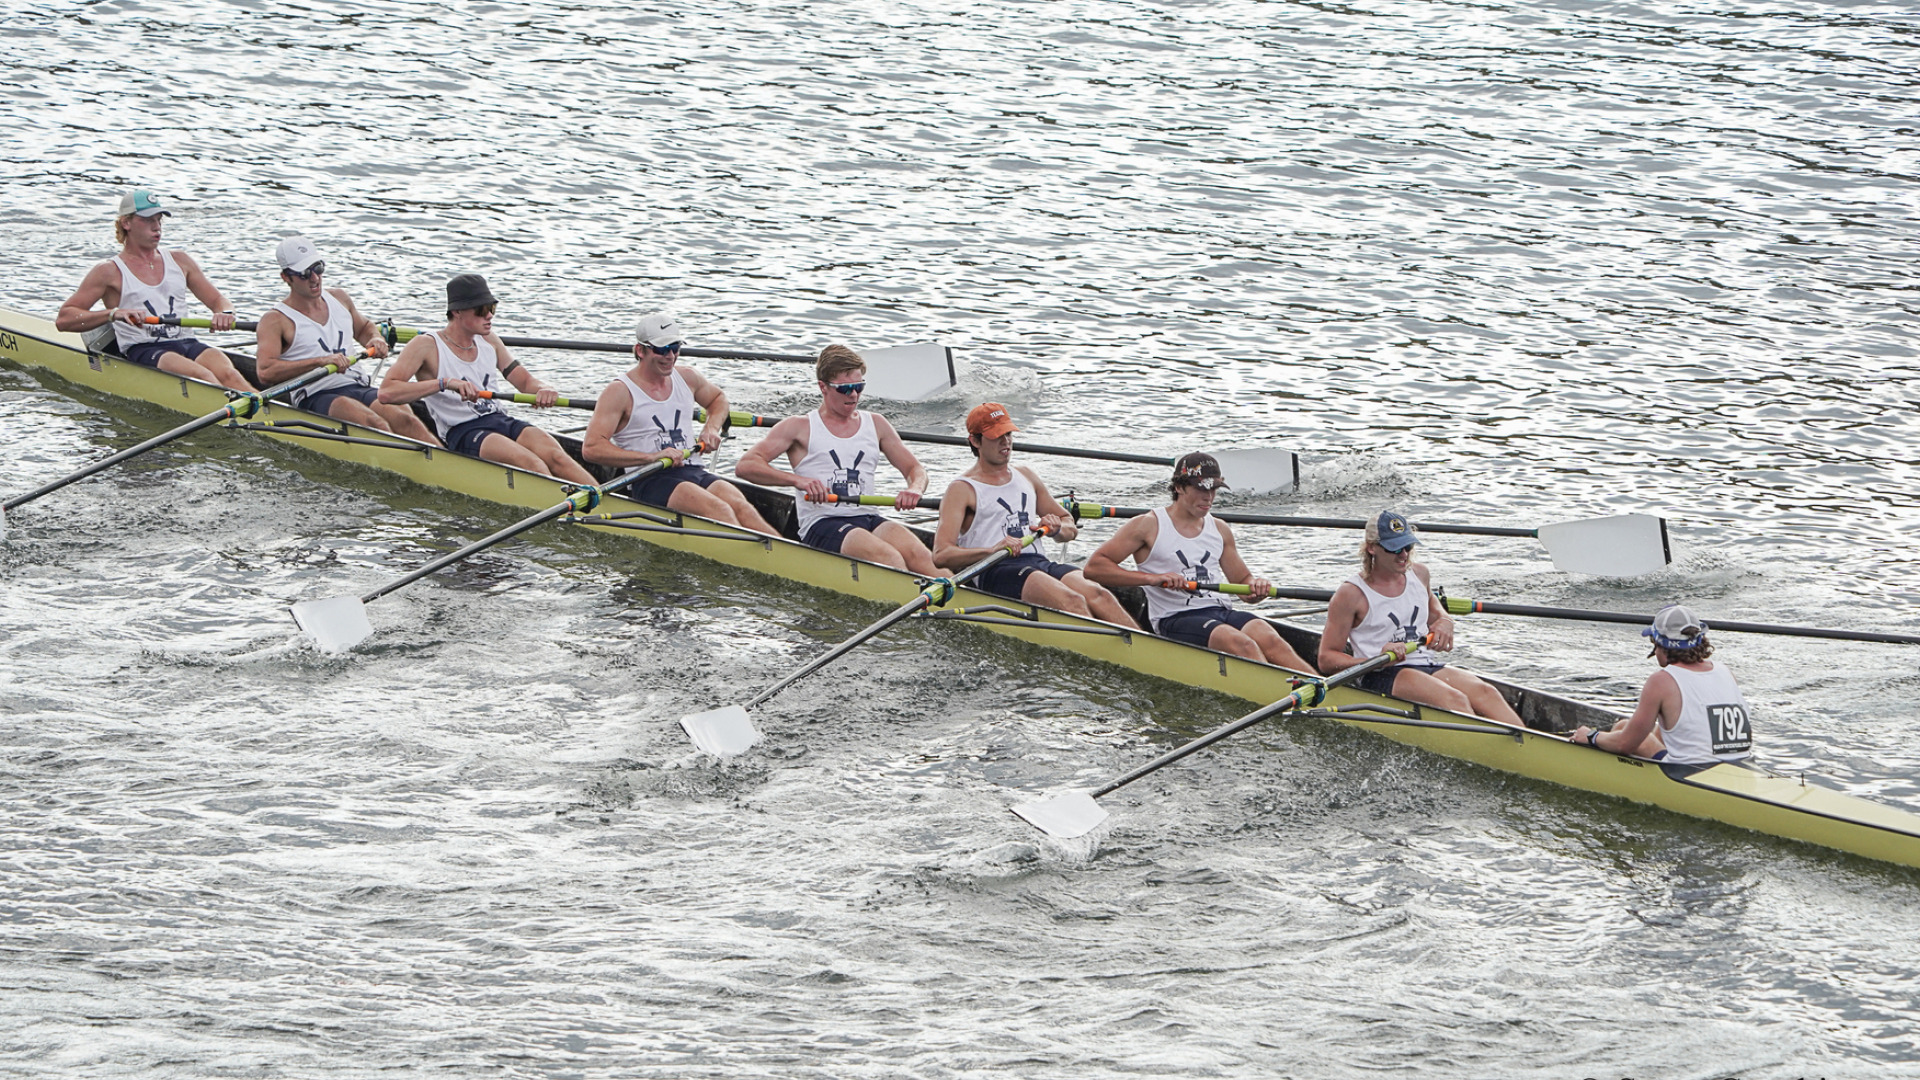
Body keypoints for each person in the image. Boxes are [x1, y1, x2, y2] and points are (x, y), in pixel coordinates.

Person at [1084, 453, 1313, 670]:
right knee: (1242, 644)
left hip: (1219, 610)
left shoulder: (1220, 529)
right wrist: (1152, 579)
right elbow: (1094, 568)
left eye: (1214, 488)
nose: (1209, 497)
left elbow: (1243, 583)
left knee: (1271, 638)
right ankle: (1281, 697)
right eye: (1202, 488)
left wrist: (1256, 587)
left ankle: (1321, 691)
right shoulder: (1148, 525)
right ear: (1179, 487)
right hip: (1175, 618)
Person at [931, 403, 1136, 627]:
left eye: (1008, 433)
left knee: (1100, 595)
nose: (1006, 442)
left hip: (1039, 562)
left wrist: (1057, 529)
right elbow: (942, 554)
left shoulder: (1026, 475)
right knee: (1073, 601)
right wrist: (991, 550)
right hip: (996, 568)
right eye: (996, 436)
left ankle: (1145, 650)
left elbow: (1069, 525)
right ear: (975, 441)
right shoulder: (962, 489)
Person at [733, 344, 936, 571]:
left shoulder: (877, 424)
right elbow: (746, 465)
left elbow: (915, 469)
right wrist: (798, 481)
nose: (853, 394)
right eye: (845, 388)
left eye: (859, 387)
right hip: (823, 523)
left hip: (868, 516)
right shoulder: (798, 427)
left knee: (925, 559)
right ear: (823, 387)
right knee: (890, 559)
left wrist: (914, 489)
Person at [378, 274, 595, 484]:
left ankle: (604, 502)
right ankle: (563, 513)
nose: (489, 316)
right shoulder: (425, 345)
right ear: (457, 311)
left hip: (499, 419)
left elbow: (526, 383)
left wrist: (544, 389)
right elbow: (387, 392)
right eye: (482, 310)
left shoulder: (489, 340)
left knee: (557, 456)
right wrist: (444, 383)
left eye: (492, 309)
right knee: (532, 464)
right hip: (463, 431)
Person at [1317, 510, 1522, 723]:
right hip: (1380, 673)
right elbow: (1326, 659)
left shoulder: (1419, 574)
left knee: (1487, 692)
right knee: (1455, 700)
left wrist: (1445, 621)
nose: (1404, 555)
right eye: (1394, 548)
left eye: (1408, 546)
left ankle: (1525, 747)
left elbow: (1436, 612)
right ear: (1371, 548)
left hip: (1424, 663)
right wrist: (1376, 660)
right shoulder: (1350, 594)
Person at [580, 312, 776, 534]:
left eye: (675, 348)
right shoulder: (619, 392)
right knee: (720, 511)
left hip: (692, 467)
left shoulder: (687, 377)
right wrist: (652, 457)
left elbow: (718, 399)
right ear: (640, 350)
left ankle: (787, 561)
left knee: (744, 509)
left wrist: (710, 428)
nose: (670, 356)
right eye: (662, 349)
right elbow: (592, 447)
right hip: (650, 478)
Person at [54, 189, 253, 392]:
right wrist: (114, 314)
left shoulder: (180, 261)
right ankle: (241, 418)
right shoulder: (108, 271)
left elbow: (219, 300)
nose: (157, 228)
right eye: (148, 221)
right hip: (144, 348)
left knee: (230, 375)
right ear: (126, 223)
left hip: (186, 341)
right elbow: (64, 319)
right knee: (203, 376)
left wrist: (225, 313)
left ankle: (269, 418)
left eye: (159, 221)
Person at [254, 236, 438, 444]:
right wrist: (320, 361)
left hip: (357, 384)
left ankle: (446, 467)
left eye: (318, 268)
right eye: (305, 274)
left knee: (407, 421)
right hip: (318, 394)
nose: (315, 278)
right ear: (286, 277)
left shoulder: (339, 298)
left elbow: (364, 328)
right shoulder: (275, 320)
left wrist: (375, 339)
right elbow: (265, 372)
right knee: (376, 425)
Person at [1572, 605, 1753, 764]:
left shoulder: (1661, 681)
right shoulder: (1725, 671)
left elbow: (1624, 744)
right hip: (1739, 765)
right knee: (1623, 727)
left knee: (1622, 732)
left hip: (1690, 772)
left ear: (1662, 646)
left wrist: (1591, 736)